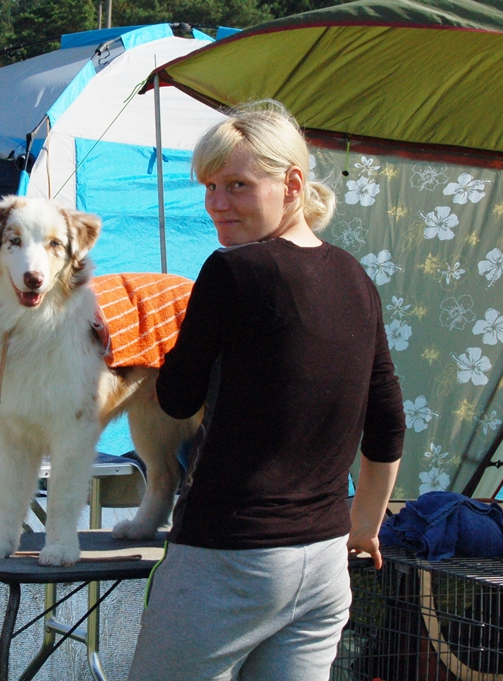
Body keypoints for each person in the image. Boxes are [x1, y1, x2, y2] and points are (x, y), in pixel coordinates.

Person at [126, 101, 405, 681]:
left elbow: (176, 399)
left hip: (226, 559)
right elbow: (387, 423)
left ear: (293, 184)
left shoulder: (231, 271)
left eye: (238, 185)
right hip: (324, 565)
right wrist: (366, 525)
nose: (217, 204)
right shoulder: (356, 278)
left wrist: (173, 335)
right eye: (210, 186)